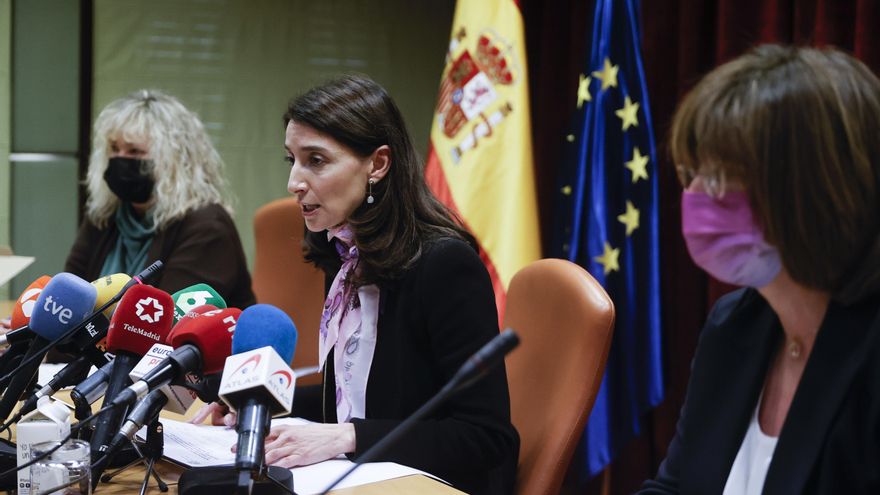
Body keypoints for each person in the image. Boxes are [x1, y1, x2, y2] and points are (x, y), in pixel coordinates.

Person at [194, 75, 519, 494]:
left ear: (378, 165)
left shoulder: (446, 265)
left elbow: (483, 437)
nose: (294, 181)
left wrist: (346, 437)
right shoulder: (346, 255)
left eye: (316, 160)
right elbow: (352, 399)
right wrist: (258, 405)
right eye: (291, 159)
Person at [639, 45, 880, 494]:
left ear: (817, 185)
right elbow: (676, 489)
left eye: (721, 175)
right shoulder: (735, 324)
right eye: (692, 174)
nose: (695, 196)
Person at [64, 90, 255, 308]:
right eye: (115, 149)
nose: (120, 160)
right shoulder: (106, 214)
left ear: (174, 160)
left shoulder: (207, 227)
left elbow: (165, 322)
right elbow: (70, 294)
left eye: (135, 151)